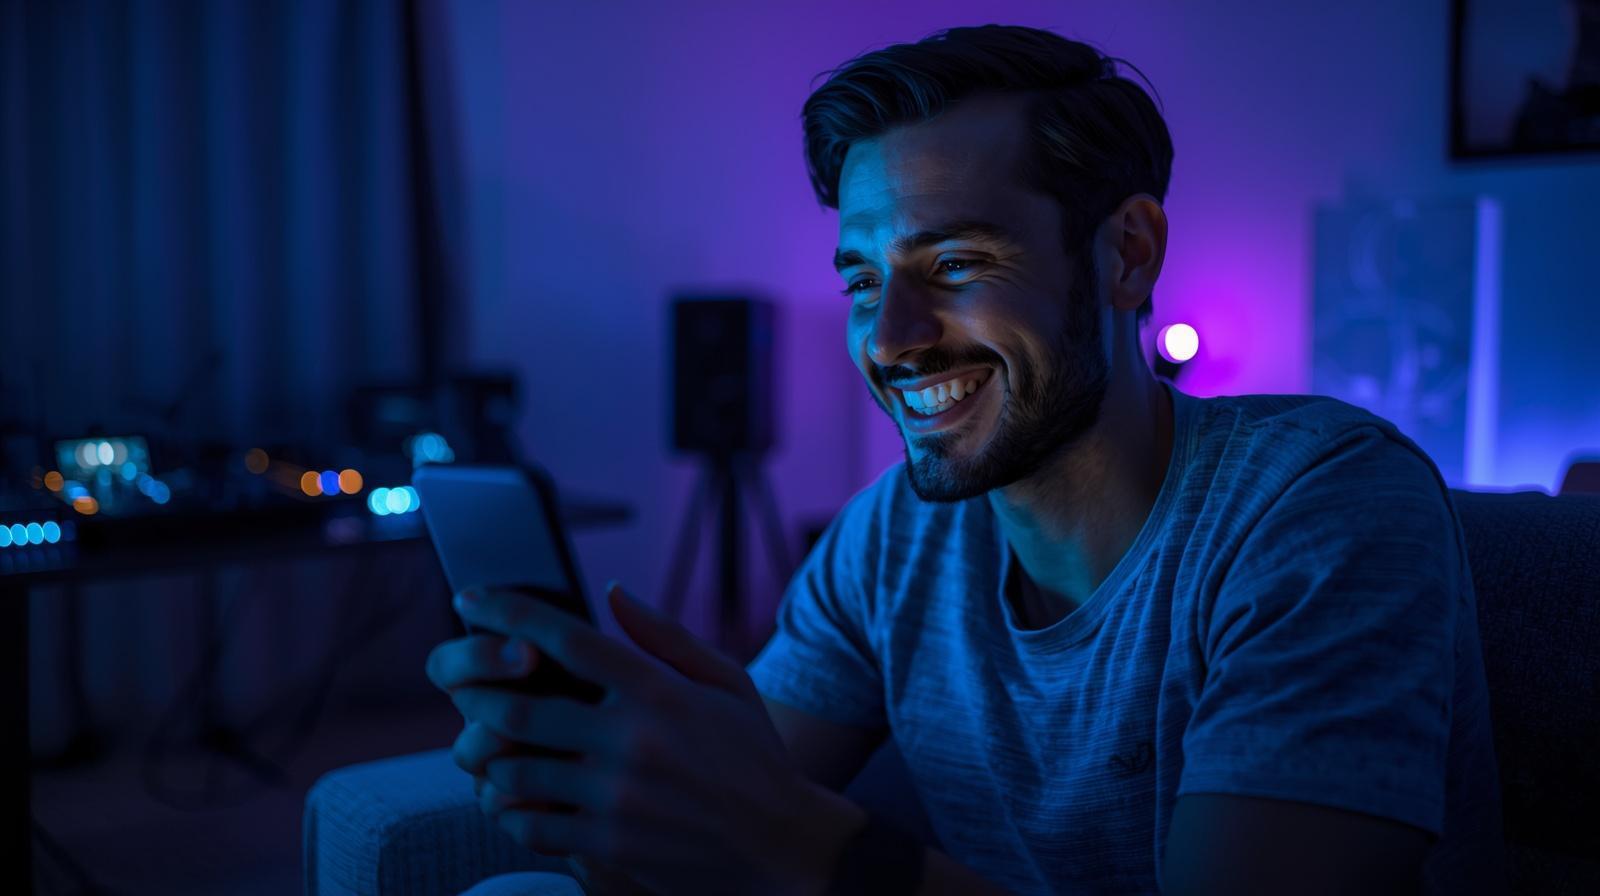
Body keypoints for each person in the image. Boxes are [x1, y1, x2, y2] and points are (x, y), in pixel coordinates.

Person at [426, 25, 1506, 895]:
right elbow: (713, 832)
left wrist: (788, 835)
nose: (889, 339)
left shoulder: (1317, 502)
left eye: (955, 262)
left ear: (1127, 254)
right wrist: (595, 786)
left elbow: (772, 828)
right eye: (863, 280)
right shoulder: (892, 535)